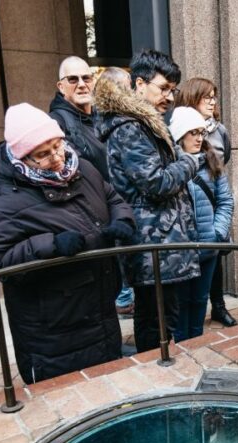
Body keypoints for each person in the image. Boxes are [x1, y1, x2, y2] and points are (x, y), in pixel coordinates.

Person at [0, 103, 135, 384]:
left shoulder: (82, 169)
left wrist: (122, 220)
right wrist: (49, 245)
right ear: (22, 157)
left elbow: (112, 197)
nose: (57, 157)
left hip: (98, 309)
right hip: (54, 329)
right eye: (43, 154)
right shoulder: (3, 202)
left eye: (58, 146)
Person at [93, 49, 200, 353]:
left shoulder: (143, 123)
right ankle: (158, 378)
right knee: (156, 324)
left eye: (172, 89)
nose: (169, 96)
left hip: (160, 243)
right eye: (163, 88)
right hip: (153, 244)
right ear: (140, 84)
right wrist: (190, 162)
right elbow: (157, 183)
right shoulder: (130, 127)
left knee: (163, 319)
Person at [169, 107, 234, 341]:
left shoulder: (212, 161)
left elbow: (226, 200)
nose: (199, 138)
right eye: (192, 132)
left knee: (198, 303)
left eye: (201, 132)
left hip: (208, 247)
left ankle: (196, 346)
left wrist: (217, 232)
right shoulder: (169, 166)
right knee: (179, 306)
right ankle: (183, 351)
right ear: (179, 134)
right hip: (180, 250)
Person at [93, 67, 136, 320]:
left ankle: (124, 299)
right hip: (110, 200)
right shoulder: (117, 123)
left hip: (116, 202)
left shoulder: (107, 120)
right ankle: (122, 300)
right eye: (127, 84)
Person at [49, 56, 108, 180]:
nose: (82, 84)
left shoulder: (105, 115)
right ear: (61, 86)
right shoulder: (55, 123)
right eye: (73, 79)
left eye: (86, 78)